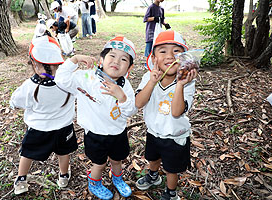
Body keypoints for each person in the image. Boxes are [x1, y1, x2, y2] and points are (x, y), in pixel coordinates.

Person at [54, 36, 137, 199]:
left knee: (117, 160)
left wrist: (122, 98)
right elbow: (61, 79)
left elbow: (130, 111)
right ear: (101, 59)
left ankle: (117, 179)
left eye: (124, 59)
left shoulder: (125, 86)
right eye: (112, 56)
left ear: (129, 67)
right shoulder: (86, 78)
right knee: (99, 163)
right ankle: (95, 183)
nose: (116, 61)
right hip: (95, 133)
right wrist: (74, 59)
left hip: (117, 132)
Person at [10, 36, 78, 195]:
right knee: (63, 152)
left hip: (38, 129)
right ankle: (63, 176)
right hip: (64, 128)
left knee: (27, 153)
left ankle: (21, 180)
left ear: (34, 64)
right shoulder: (69, 82)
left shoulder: (29, 86)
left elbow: (15, 101)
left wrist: (14, 105)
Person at [135, 30, 197, 200]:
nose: (170, 56)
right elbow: (139, 103)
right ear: (154, 59)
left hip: (175, 135)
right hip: (153, 131)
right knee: (152, 158)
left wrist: (180, 84)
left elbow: (177, 112)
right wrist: (152, 81)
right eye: (162, 51)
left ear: (184, 58)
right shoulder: (149, 76)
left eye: (176, 51)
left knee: (171, 169)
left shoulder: (188, 82)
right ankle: (153, 176)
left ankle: (171, 192)